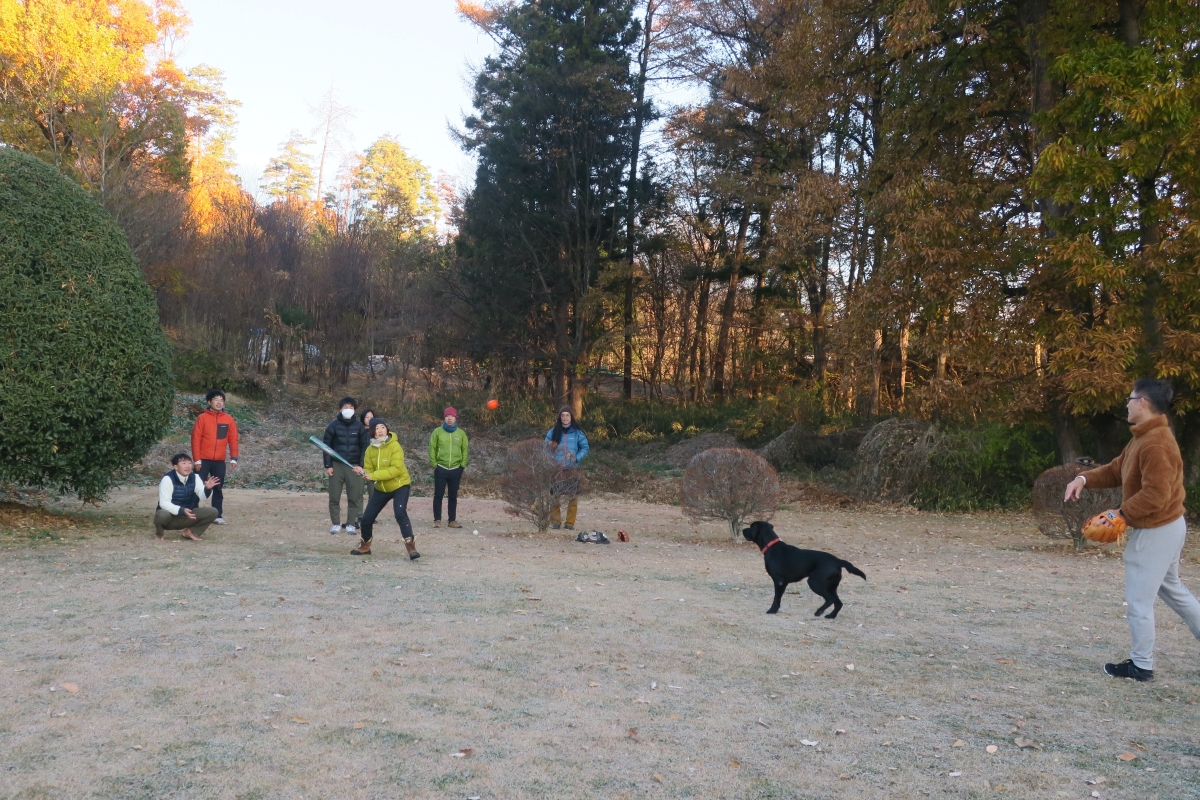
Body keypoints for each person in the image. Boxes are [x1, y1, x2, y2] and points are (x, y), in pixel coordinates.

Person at [1064, 379, 1200, 682]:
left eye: (1130, 398)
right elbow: (1116, 469)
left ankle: (1141, 666)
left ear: (1143, 403)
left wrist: (1121, 513)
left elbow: (1156, 494)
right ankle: (1142, 662)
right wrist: (1083, 479)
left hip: (1157, 530)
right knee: (1174, 591)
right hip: (1165, 526)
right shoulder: (1144, 437)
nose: (1126, 403)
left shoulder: (1156, 443)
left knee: (1139, 601)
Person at [353, 419, 419, 559]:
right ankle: (365, 546)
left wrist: (372, 475)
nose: (381, 430)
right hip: (381, 488)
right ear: (372, 432)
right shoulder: (370, 449)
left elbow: (395, 470)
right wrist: (363, 472)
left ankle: (411, 547)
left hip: (400, 485)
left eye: (383, 427)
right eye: (377, 428)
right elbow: (369, 470)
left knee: (400, 513)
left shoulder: (395, 446)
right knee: (366, 519)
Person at [191, 388, 238, 525]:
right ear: (209, 402)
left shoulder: (229, 420)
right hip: (203, 460)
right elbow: (195, 439)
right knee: (197, 486)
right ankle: (192, 512)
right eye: (216, 400)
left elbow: (233, 439)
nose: (219, 402)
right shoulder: (202, 418)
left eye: (221, 400)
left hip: (219, 461)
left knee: (218, 487)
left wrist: (234, 457)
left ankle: (217, 515)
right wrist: (197, 460)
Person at [322, 396, 367, 536]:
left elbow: (364, 448)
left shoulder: (360, 427)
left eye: (351, 407)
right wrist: (328, 465)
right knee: (334, 496)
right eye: (345, 407)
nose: (348, 410)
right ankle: (335, 523)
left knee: (354, 496)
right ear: (340, 409)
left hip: (354, 466)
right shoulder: (333, 426)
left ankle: (351, 524)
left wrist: (361, 466)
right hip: (336, 465)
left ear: (355, 410)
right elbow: (326, 446)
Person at [154, 453, 221, 540]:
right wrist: (181, 510)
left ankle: (189, 532)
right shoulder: (167, 479)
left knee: (213, 511)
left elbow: (203, 497)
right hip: (170, 517)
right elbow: (164, 503)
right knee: (161, 514)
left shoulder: (195, 477)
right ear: (175, 467)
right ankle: (159, 534)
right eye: (183, 463)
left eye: (189, 463)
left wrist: (207, 489)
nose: (188, 466)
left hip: (188, 515)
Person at [545, 406, 589, 531]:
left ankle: (570, 523)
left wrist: (575, 458)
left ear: (571, 417)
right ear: (559, 417)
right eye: (563, 415)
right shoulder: (553, 432)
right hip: (556, 469)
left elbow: (585, 447)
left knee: (573, 497)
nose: (565, 417)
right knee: (554, 496)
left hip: (571, 469)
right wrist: (551, 460)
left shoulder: (577, 433)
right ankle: (555, 522)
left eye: (567, 415)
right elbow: (545, 448)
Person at [429, 406, 469, 528]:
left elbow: (465, 450)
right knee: (438, 494)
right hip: (441, 468)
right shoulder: (437, 432)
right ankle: (437, 520)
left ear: (455, 418)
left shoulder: (461, 433)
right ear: (444, 418)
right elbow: (432, 448)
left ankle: (452, 520)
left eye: (451, 416)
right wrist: (434, 464)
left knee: (453, 495)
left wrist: (462, 465)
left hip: (456, 469)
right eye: (447, 416)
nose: (449, 418)